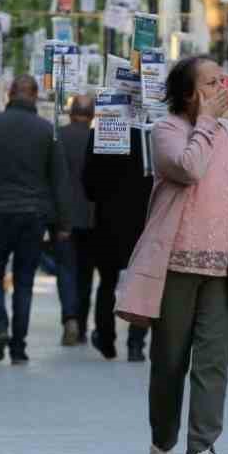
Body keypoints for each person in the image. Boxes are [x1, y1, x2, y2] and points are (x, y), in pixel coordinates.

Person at [116, 56, 228, 454]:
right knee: (170, 358)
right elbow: (188, 168)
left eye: (222, 80)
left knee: (213, 360)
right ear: (189, 93)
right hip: (176, 260)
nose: (221, 88)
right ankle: (162, 443)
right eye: (211, 83)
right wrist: (207, 122)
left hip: (224, 261)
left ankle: (202, 451)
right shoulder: (167, 130)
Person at [0, 75, 71, 363]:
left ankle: (0, 326)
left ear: (9, 94)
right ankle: (18, 347)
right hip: (33, 215)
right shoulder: (48, 131)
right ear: (35, 96)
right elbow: (60, 181)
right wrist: (63, 224)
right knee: (23, 281)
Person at [82, 121, 154, 361]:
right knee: (141, 282)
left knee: (107, 282)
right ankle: (136, 343)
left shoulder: (102, 132)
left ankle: (106, 339)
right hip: (143, 220)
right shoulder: (150, 131)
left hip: (107, 220)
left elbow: (88, 184)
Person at [54, 95, 97, 346]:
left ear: (71, 114)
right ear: (92, 115)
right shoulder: (98, 139)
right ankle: (80, 325)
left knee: (66, 270)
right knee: (85, 274)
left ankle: (69, 317)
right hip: (91, 217)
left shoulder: (58, 136)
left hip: (64, 216)